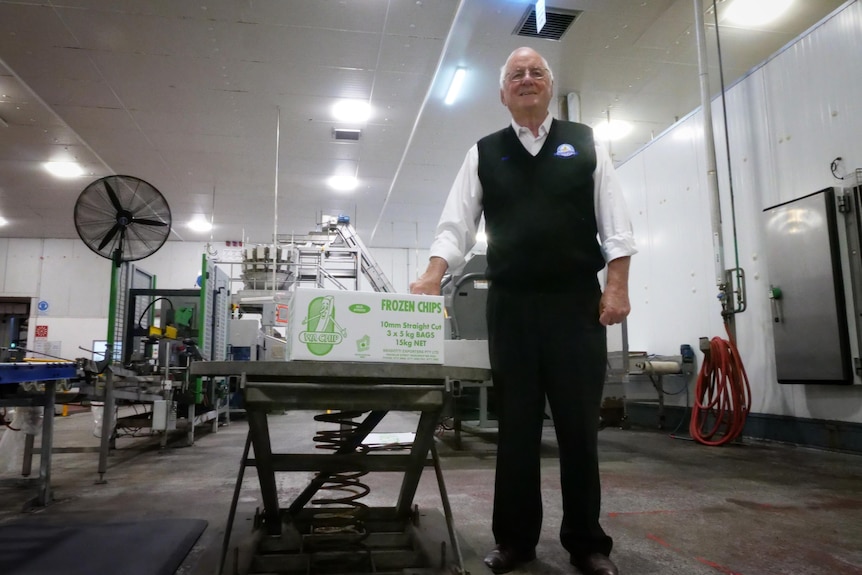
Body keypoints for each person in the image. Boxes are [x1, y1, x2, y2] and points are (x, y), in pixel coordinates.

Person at [410, 47, 636, 575]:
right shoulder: (484, 153)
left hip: (576, 304)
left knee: (579, 427)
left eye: (537, 72)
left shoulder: (584, 144)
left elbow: (616, 223)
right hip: (510, 304)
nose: (527, 79)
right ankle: (515, 541)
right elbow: (456, 226)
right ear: (502, 92)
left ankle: (587, 544)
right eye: (517, 74)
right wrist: (432, 273)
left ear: (550, 85)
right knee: (516, 427)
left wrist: (617, 286)